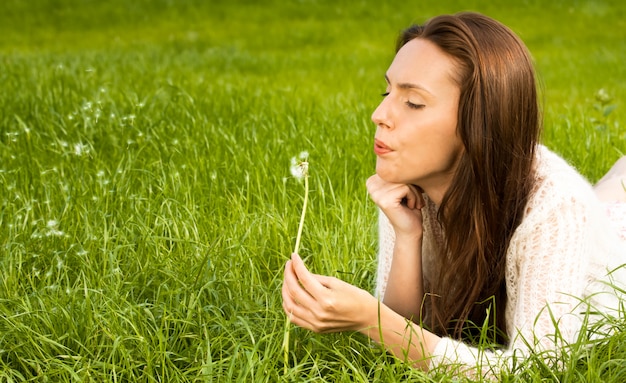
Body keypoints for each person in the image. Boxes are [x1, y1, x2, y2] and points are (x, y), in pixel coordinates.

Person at [281, 11, 626, 379]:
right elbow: (403, 331)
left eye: (413, 102)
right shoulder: (411, 179)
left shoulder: (557, 206)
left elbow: (536, 369)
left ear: (478, 123)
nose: (379, 114)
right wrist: (408, 236)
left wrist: (371, 319)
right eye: (387, 92)